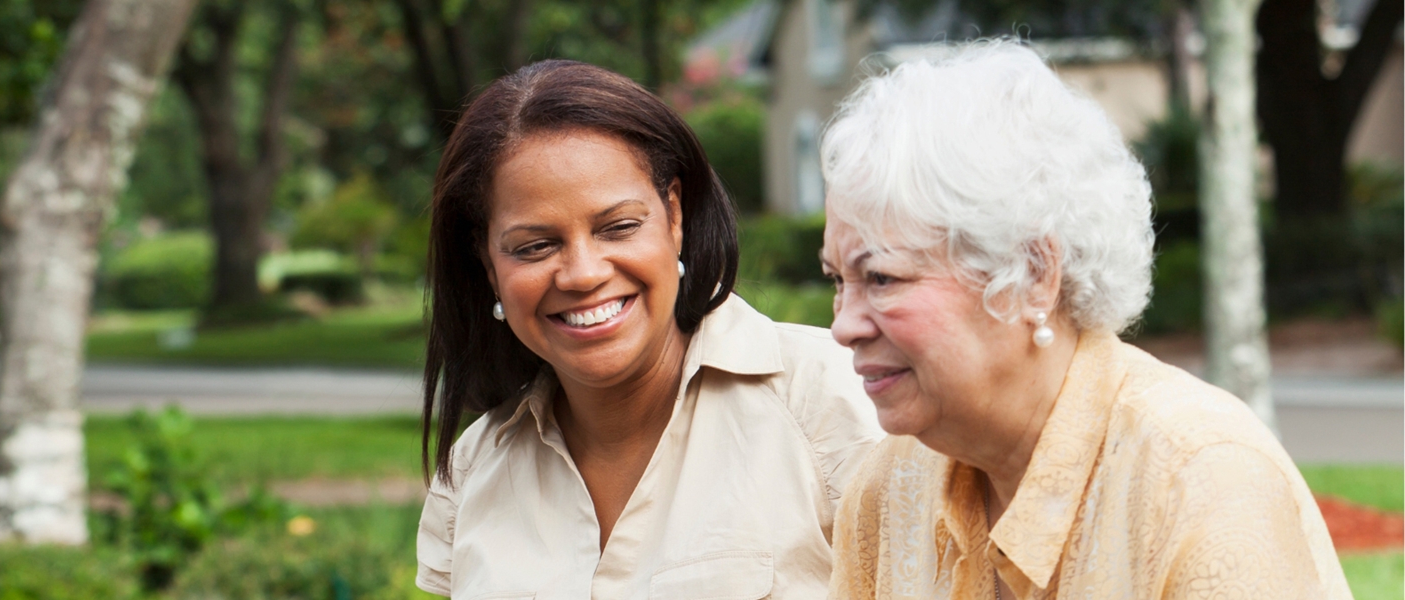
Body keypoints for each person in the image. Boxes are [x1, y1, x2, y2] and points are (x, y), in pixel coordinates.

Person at [819, 42, 1350, 599]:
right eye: (836, 280)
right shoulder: (887, 492)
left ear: (1032, 274)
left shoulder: (1199, 479)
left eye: (881, 278)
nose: (844, 325)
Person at [415, 59, 883, 599]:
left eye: (618, 227)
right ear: (488, 264)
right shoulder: (474, 471)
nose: (584, 272)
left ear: (674, 216)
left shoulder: (836, 403)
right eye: (535, 246)